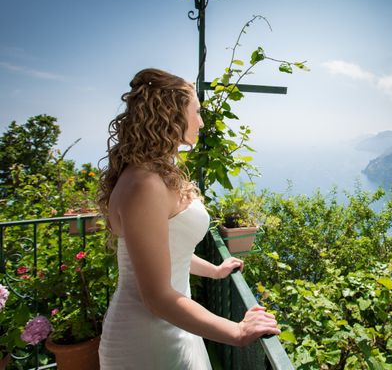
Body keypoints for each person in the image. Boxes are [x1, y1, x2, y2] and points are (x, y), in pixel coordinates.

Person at [98, 68, 279, 370]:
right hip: (149, 338)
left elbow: (167, 249)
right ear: (171, 114)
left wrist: (215, 271)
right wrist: (236, 331)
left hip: (171, 324)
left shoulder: (152, 175)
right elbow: (156, 297)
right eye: (196, 111)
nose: (201, 121)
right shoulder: (145, 185)